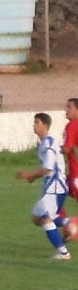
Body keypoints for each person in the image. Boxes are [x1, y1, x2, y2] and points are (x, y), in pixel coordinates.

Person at [15, 113, 72, 260]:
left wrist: (29, 175)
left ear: (45, 125)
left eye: (37, 122)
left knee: (45, 218)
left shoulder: (49, 143)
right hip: (52, 186)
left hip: (56, 186)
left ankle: (64, 252)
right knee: (36, 218)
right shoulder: (44, 144)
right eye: (34, 122)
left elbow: (48, 168)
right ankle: (69, 222)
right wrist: (33, 176)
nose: (34, 125)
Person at [61, 98, 78, 238]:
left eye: (69, 107)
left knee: (55, 193)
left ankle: (72, 225)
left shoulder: (72, 125)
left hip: (76, 175)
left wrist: (51, 148)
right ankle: (68, 225)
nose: (66, 110)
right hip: (72, 175)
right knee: (56, 192)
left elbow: (66, 149)